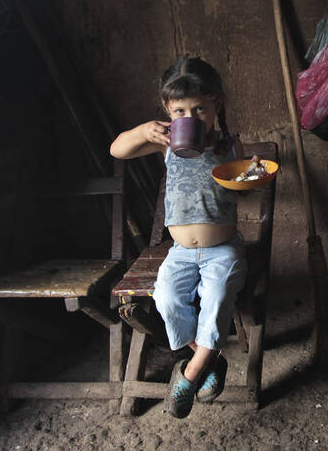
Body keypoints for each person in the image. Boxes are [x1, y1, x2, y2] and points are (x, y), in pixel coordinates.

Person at [110, 56, 246, 419]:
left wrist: (245, 174)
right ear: (168, 112)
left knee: (216, 300)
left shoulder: (228, 145)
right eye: (180, 111)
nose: (191, 119)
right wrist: (143, 132)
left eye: (200, 108)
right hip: (181, 252)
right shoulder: (167, 144)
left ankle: (188, 375)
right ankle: (208, 361)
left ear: (217, 103)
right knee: (167, 300)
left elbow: (245, 178)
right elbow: (116, 150)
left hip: (222, 251)